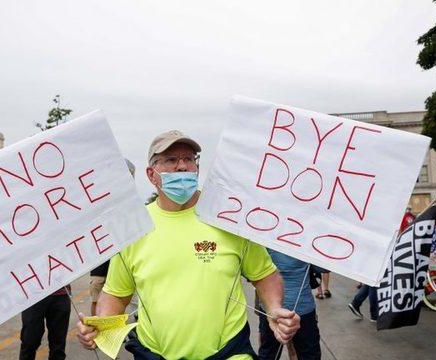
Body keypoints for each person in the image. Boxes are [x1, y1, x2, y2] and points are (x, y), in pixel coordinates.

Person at [77, 130, 300, 359]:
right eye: (171, 160)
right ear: (151, 174)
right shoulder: (136, 227)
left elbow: (265, 275)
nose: (182, 166)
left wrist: (274, 308)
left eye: (189, 159)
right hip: (155, 354)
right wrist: (99, 327)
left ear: (197, 168)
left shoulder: (226, 216)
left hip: (229, 353)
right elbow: (116, 294)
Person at [89, 159, 136, 316]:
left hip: (125, 259)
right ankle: (97, 335)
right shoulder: (99, 200)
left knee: (123, 298)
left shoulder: (133, 204)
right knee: (97, 297)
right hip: (101, 261)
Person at [259, 250, 321, 360]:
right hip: (302, 306)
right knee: (309, 354)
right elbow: (322, 268)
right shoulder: (305, 239)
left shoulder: (266, 237)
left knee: (268, 352)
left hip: (270, 305)